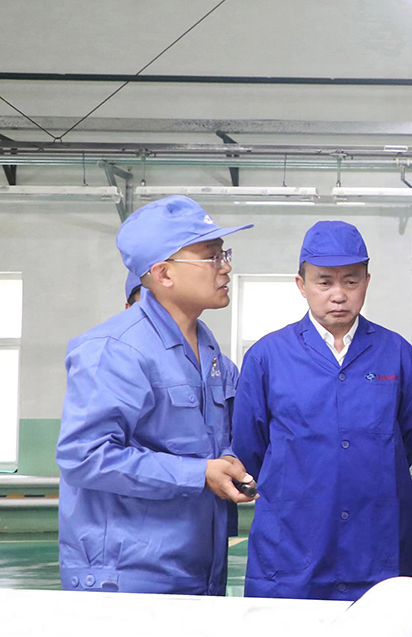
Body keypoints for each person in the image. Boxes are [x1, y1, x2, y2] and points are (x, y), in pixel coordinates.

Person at [57, 195, 256, 595]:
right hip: (126, 578)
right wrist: (199, 473)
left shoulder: (210, 354)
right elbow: (84, 456)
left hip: (198, 571)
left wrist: (228, 460)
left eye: (225, 253)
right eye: (212, 256)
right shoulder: (116, 350)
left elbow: (214, 443)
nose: (226, 267)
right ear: (164, 273)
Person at [232, 220, 412, 601]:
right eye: (324, 282)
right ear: (301, 285)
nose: (339, 295)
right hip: (292, 552)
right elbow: (250, 450)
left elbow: (408, 440)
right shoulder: (267, 357)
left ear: (367, 281)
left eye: (351, 281)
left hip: (376, 549)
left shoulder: (398, 355)